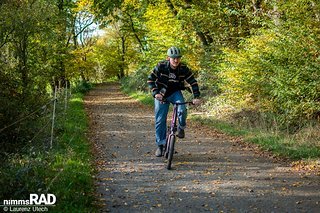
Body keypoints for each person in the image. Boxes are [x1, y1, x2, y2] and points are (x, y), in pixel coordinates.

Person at [147, 46, 201, 157]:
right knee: (160, 119)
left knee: (182, 109)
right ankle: (161, 146)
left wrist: (196, 96)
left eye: (178, 58)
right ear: (168, 58)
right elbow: (150, 79)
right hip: (161, 94)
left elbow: (193, 82)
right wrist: (155, 93)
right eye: (173, 58)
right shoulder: (161, 66)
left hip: (175, 93)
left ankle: (181, 127)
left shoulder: (184, 68)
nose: (176, 60)